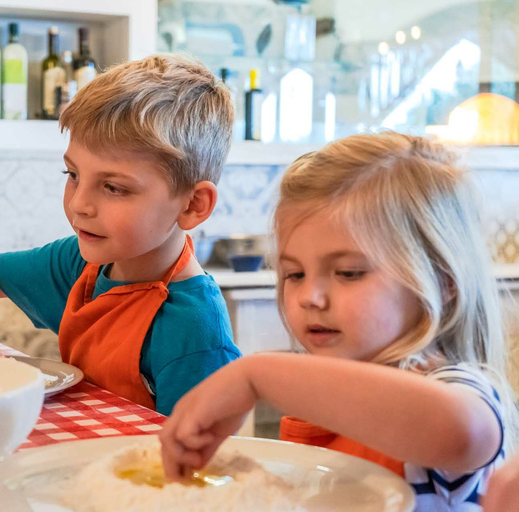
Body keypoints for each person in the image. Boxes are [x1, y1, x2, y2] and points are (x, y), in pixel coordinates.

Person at [160, 132, 518, 510]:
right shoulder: (326, 386)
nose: (310, 297)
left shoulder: (450, 384)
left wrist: (257, 376)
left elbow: (463, 432)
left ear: (442, 282)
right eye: (294, 275)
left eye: (348, 273)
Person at [0, 54, 242, 415]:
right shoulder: (79, 264)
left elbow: (192, 464)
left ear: (193, 205)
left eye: (114, 188)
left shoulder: (194, 335)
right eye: (72, 175)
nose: (79, 205)